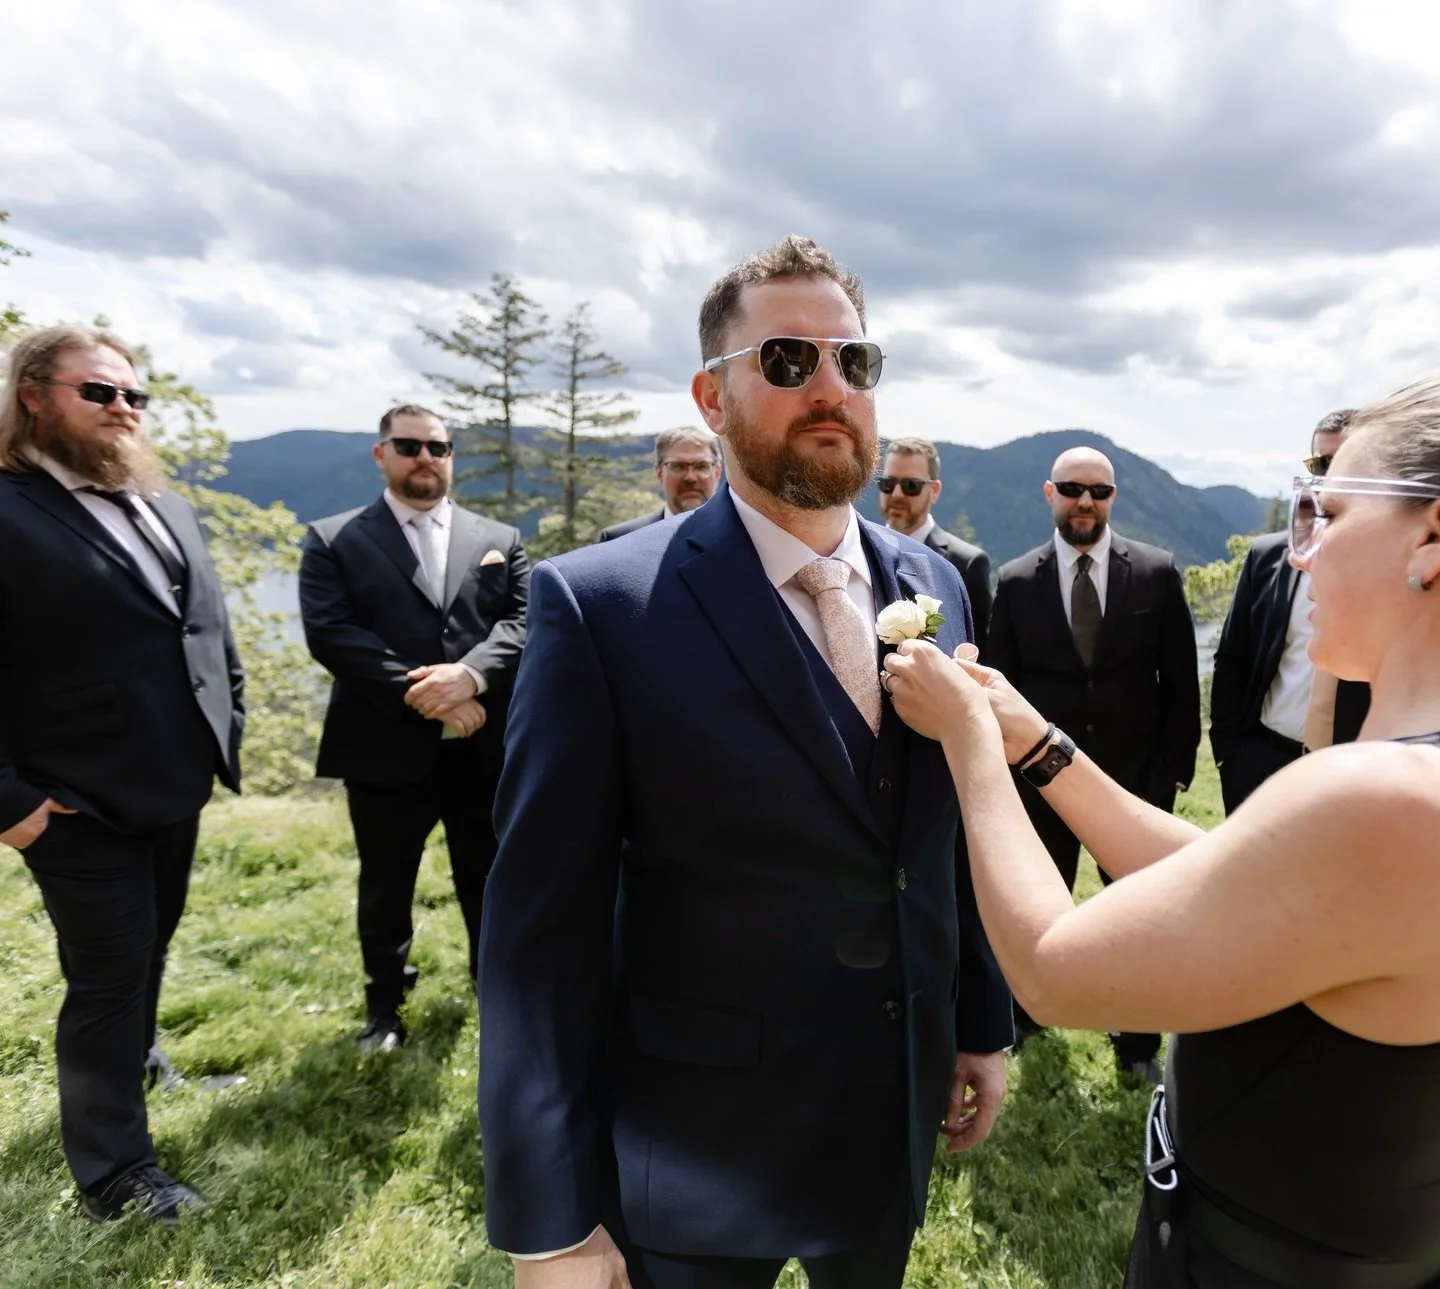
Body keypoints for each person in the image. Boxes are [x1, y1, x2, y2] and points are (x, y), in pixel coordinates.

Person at [479, 235, 1013, 1289]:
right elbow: (540, 933)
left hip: (890, 1115)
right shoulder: (599, 605)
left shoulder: (933, 586)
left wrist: (979, 1020)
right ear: (712, 398)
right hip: (697, 1143)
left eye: (853, 362)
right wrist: (548, 1220)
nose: (829, 388)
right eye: (786, 362)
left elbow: (941, 828)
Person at [882, 372, 1440, 1287]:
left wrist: (971, 741)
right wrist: (1041, 742)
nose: (1303, 554)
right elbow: (1231, 873)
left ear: (1432, 535)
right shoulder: (1405, 782)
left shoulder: (1383, 798)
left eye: (1330, 514)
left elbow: (1054, 966)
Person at [0, 325, 244, 1223]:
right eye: (99, 392)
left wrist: (230, 724)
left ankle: (143, 1060)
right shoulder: (9, 507)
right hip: (72, 802)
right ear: (33, 393)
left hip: (172, 784)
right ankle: (114, 1173)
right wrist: (13, 806)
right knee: (105, 975)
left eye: (134, 396)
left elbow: (206, 629)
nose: (122, 410)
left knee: (150, 946)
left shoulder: (163, 505)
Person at [298, 405, 528, 1052]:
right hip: (382, 745)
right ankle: (385, 1009)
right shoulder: (333, 538)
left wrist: (472, 677)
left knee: (490, 880)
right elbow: (333, 633)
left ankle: (499, 997)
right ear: (382, 454)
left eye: (439, 445)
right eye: (410, 444)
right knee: (386, 884)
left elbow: (522, 620)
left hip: (482, 748)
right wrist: (429, 694)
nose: (426, 456)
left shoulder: (499, 537)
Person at [986, 446, 1200, 1080]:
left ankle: (1136, 1045)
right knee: (1034, 905)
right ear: (1050, 493)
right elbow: (1002, 683)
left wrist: (1170, 775)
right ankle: (1023, 1018)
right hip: (1037, 784)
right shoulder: (1018, 579)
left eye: (1099, 492)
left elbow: (1181, 684)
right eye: (1074, 489)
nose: (1086, 501)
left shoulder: (1157, 573)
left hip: (1133, 785)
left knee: (1140, 918)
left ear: (1113, 499)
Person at [1210, 410, 1369, 812]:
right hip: (1262, 760)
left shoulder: (1387, 562)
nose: (1330, 475)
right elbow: (1233, 657)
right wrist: (1230, 753)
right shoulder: (1267, 556)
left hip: (1352, 769)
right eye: (1321, 464)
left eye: (1345, 463)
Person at [879, 436, 993, 654]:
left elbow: (981, 652)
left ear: (934, 491)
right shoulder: (861, 550)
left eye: (910, 486)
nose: (896, 494)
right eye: (888, 484)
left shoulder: (967, 563)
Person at [597, 425, 722, 540]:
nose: (690, 477)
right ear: (659, 473)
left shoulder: (739, 537)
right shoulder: (620, 540)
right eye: (678, 466)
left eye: (701, 466)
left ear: (717, 473)